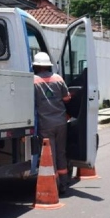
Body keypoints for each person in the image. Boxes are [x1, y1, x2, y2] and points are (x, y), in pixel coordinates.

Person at [32, 52, 72, 194]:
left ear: (36, 66)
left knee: (50, 155)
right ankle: (64, 183)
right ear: (49, 65)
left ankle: (53, 184)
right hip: (61, 122)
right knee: (61, 152)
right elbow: (67, 98)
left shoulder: (33, 80)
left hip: (45, 124)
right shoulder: (58, 78)